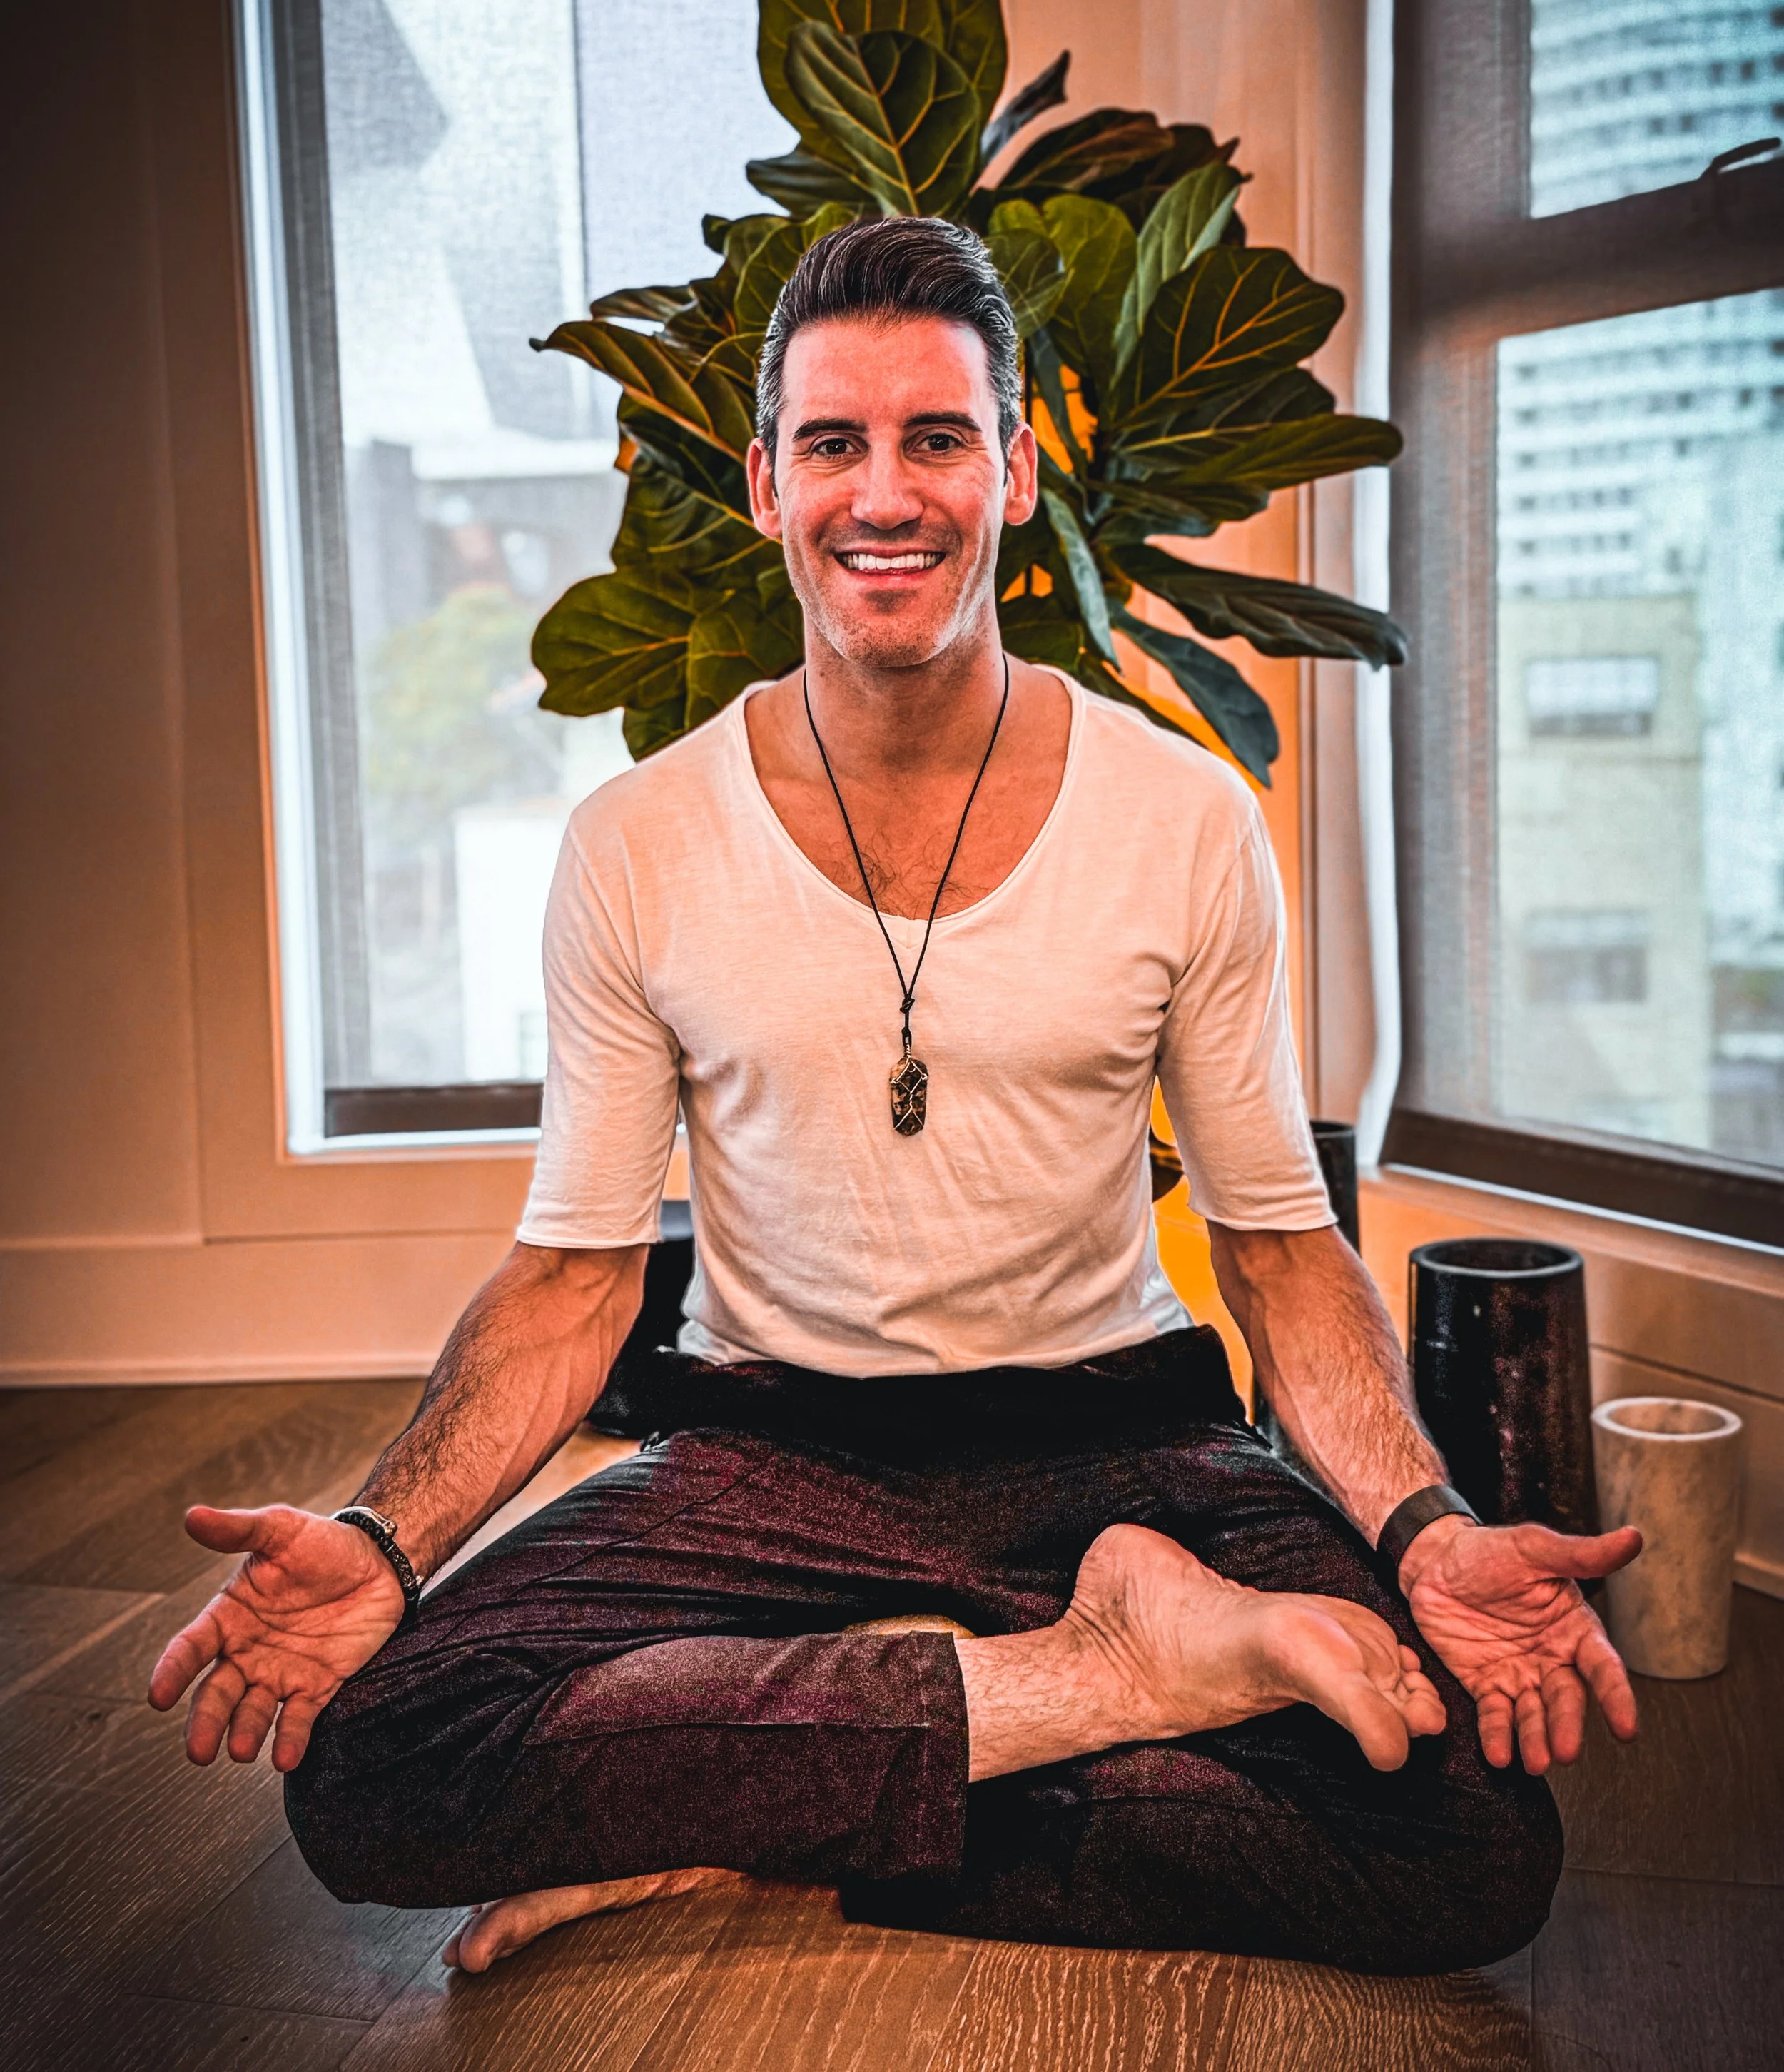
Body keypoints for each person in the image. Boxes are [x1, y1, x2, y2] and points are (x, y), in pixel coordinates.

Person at [149, 216, 1640, 1979]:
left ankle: (782, 1791)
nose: (887, 493)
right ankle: (1082, 1685)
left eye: (936, 437)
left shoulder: (1179, 821)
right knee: (379, 1764)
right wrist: (386, 1541)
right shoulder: (633, 847)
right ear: (768, 483)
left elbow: (1280, 1257)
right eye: (834, 443)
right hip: (772, 1455)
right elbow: (573, 1281)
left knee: (1467, 1832)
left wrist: (1425, 1529)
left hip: (1124, 1450)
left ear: (1012, 471)